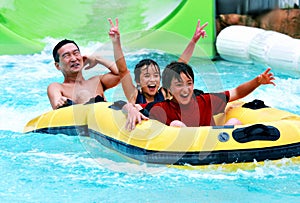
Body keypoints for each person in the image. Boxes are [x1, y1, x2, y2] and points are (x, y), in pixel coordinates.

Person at [123, 61, 276, 131]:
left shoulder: (206, 100)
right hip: (187, 155)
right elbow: (131, 106)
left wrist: (257, 81)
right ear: (168, 89)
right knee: (176, 124)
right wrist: (130, 109)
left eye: (189, 83)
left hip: (215, 148)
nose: (185, 89)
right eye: (179, 85)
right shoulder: (161, 108)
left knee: (235, 121)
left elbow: (236, 92)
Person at [108, 18, 208, 104]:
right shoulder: (134, 95)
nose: (152, 80)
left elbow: (179, 66)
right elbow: (123, 70)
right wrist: (116, 43)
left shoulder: (164, 94)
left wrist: (194, 40)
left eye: (156, 75)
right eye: (147, 76)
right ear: (138, 81)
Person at [48, 39, 120, 109]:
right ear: (58, 66)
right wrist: (60, 102)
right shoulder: (57, 87)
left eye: (76, 53)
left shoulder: (97, 82)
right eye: (66, 56)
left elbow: (121, 74)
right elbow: (57, 103)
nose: (73, 59)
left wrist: (98, 59)